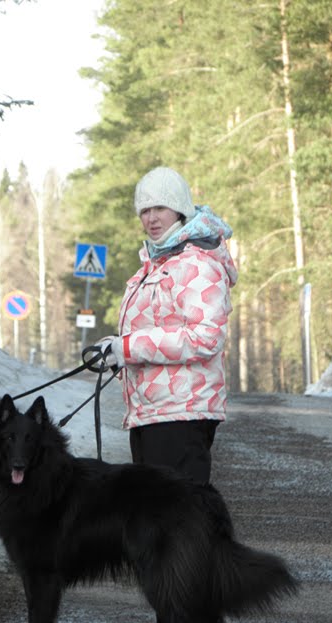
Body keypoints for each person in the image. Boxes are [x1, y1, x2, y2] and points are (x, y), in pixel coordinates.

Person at [97, 166, 238, 485]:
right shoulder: (154, 265)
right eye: (144, 210)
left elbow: (206, 337)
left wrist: (130, 348)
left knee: (179, 526)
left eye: (159, 207)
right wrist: (117, 351)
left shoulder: (198, 263)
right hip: (152, 412)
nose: (151, 217)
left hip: (182, 414)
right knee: (158, 525)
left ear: (179, 208)